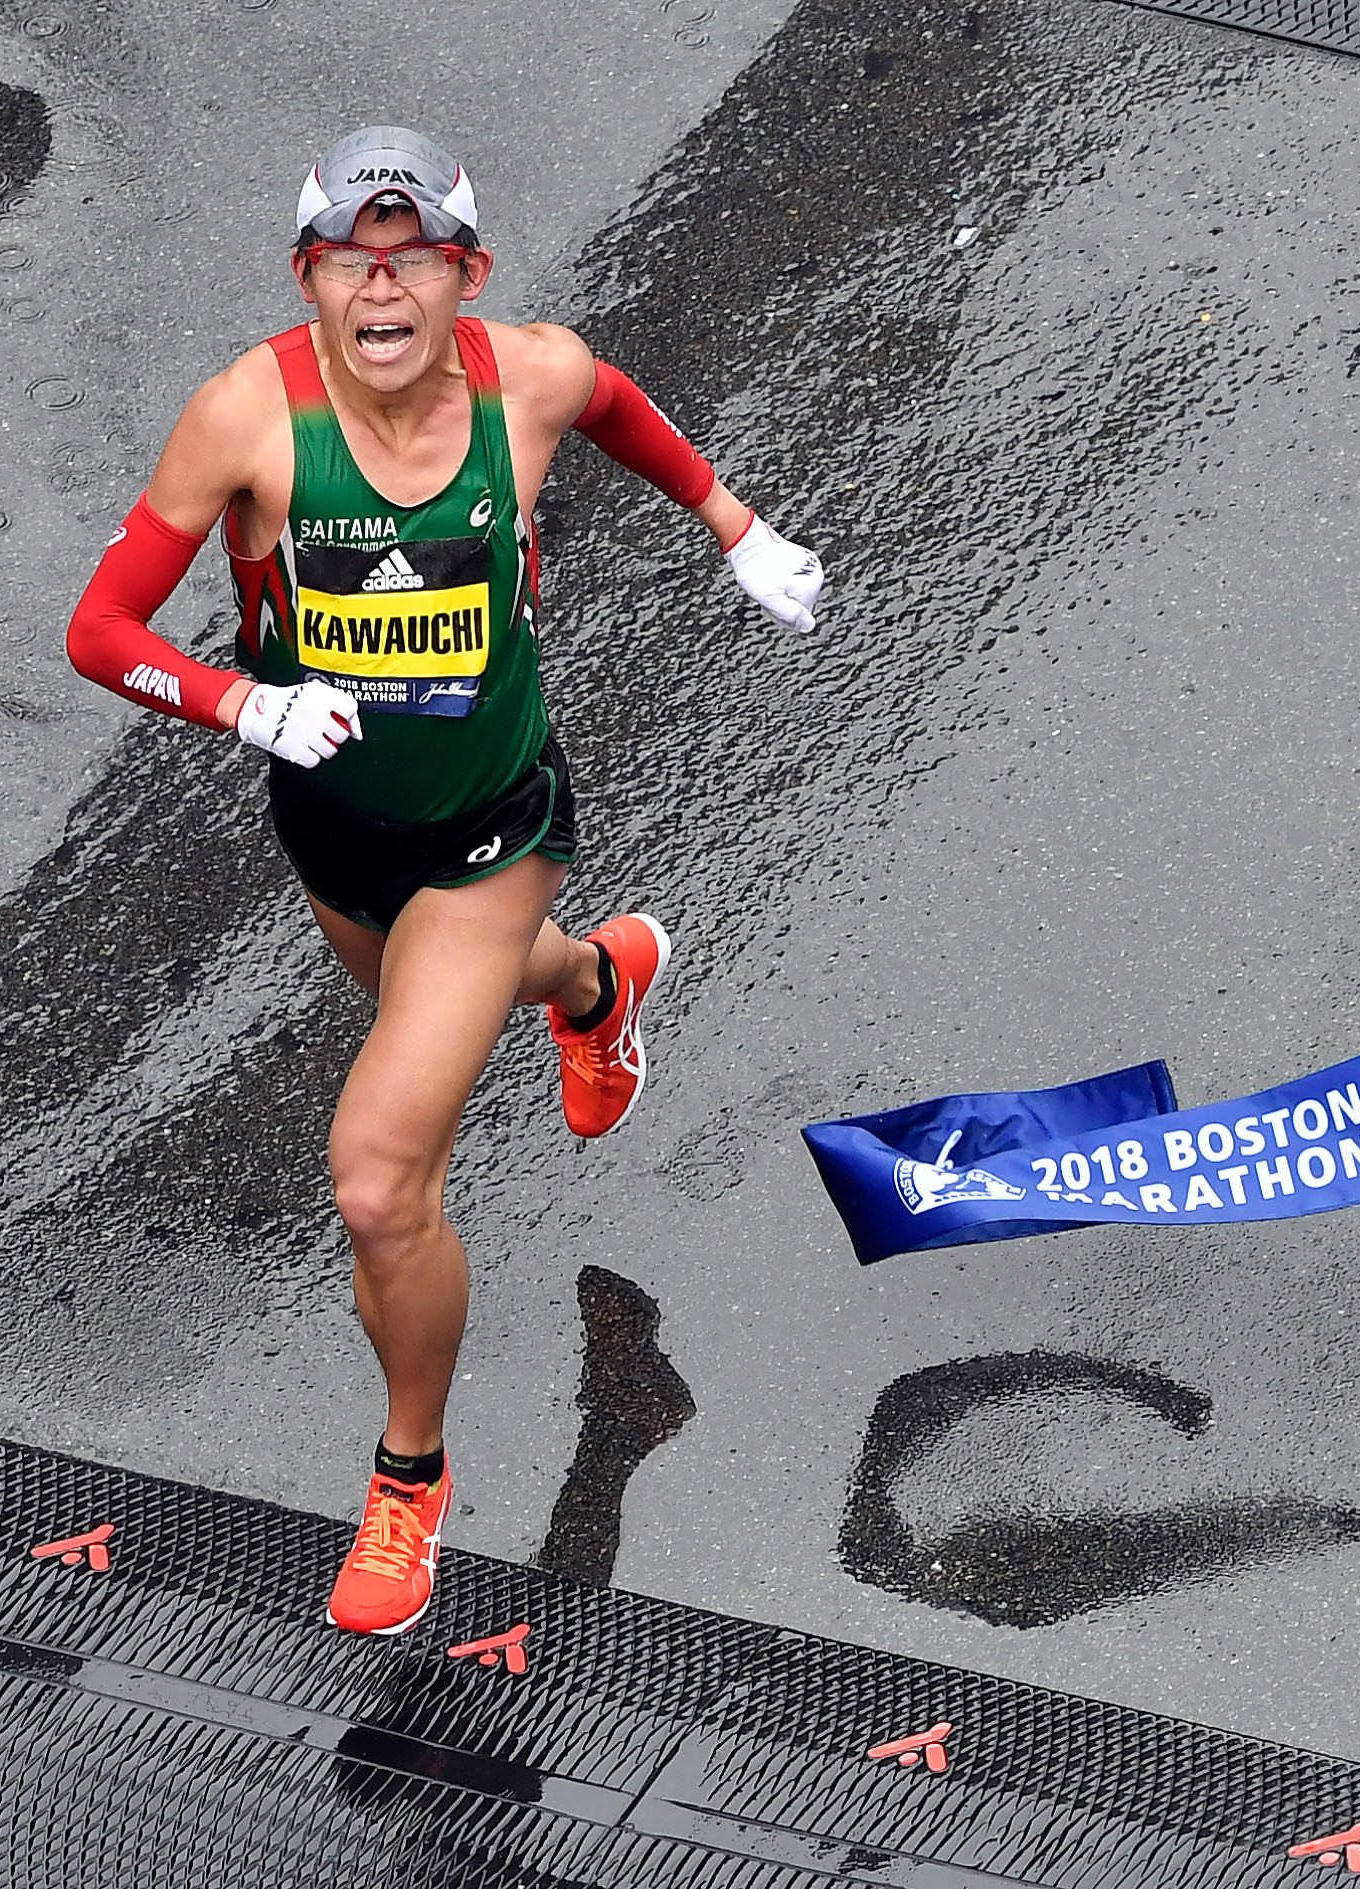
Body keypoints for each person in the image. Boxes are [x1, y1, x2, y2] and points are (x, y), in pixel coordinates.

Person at [65, 126, 823, 1635]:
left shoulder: (524, 380)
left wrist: (732, 527)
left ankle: (408, 1481)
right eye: (353, 260)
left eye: (414, 259)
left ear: (463, 276)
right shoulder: (244, 420)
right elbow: (100, 630)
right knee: (456, 997)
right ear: (311, 279)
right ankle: (595, 980)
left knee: (375, 1176)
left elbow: (611, 400)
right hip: (336, 836)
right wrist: (242, 703)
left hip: (494, 823)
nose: (384, 286)